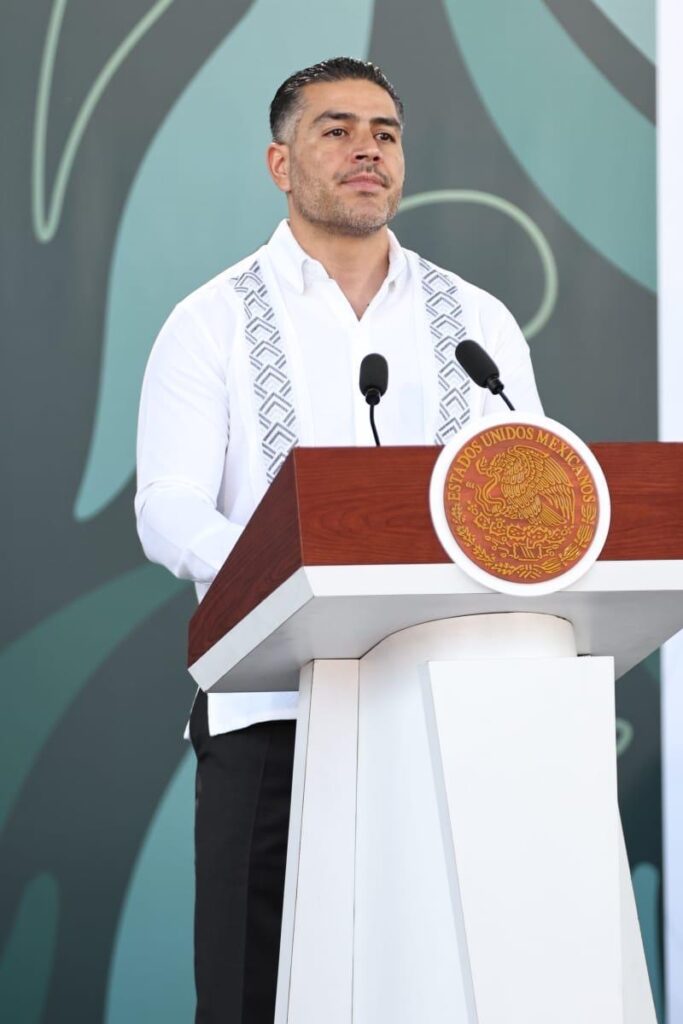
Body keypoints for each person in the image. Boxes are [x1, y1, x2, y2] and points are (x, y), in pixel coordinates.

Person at [135, 57, 543, 1024]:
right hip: (270, 710)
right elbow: (169, 509)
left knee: (441, 989)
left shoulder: (474, 321)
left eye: (385, 133)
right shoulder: (211, 321)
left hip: (450, 712)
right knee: (252, 995)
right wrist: (295, 578)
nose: (368, 149)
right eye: (337, 129)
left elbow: (531, 490)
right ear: (280, 164)